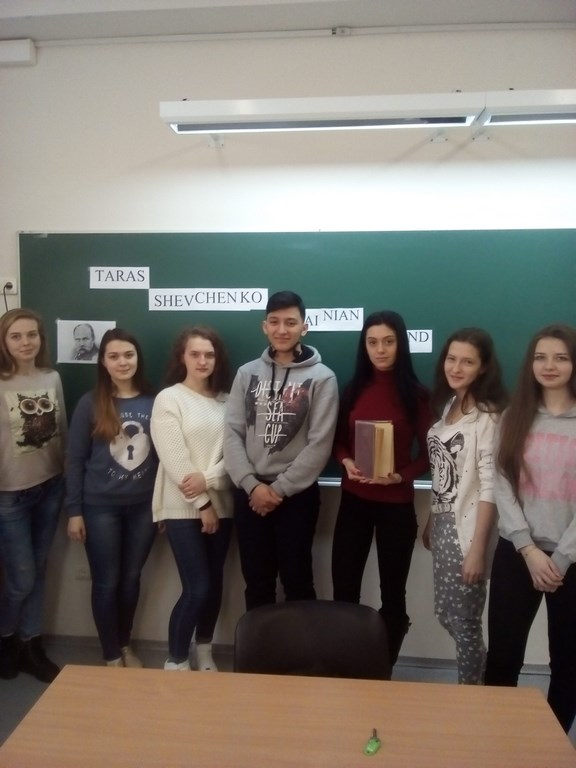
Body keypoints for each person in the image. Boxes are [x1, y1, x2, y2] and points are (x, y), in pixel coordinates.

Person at [485, 324, 576, 733]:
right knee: (503, 659)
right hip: (517, 553)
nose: (549, 365)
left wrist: (562, 557)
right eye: (541, 357)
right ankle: (501, 743)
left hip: (570, 559)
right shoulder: (515, 416)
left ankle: (549, 747)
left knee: (568, 664)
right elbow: (501, 483)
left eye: (561, 357)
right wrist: (527, 547)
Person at [224, 290, 338, 610]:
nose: (282, 329)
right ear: (265, 327)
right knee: (257, 583)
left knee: (297, 581)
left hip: (296, 496)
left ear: (304, 327)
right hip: (249, 493)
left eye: (290, 322)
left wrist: (277, 490)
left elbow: (320, 443)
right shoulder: (246, 373)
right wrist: (252, 486)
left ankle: (298, 646)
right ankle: (259, 645)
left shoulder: (323, 378)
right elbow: (232, 433)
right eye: (274, 322)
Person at [331, 310, 431, 666]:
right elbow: (338, 442)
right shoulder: (353, 389)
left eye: (388, 341)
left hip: (396, 507)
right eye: (372, 342)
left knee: (392, 594)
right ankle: (347, 664)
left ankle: (382, 670)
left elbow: (429, 455)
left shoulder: (417, 395)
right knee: (344, 590)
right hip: (353, 502)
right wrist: (346, 461)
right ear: (365, 346)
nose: (381, 349)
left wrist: (400, 477)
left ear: (400, 344)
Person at [66, 328, 157, 668]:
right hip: (99, 507)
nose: (122, 362)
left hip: (144, 508)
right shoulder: (89, 403)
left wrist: (163, 507)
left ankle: (124, 644)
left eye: (128, 355)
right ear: (103, 362)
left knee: (131, 579)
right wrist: (74, 511)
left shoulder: (155, 401)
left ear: (138, 359)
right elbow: (75, 459)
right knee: (106, 582)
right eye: (114, 356)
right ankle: (111, 656)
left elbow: (166, 459)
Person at [423, 328, 507, 684]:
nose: (456, 368)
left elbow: (490, 487)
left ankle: (473, 693)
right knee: (446, 613)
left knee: (465, 621)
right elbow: (446, 477)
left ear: (483, 367)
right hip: (444, 524)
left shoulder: (488, 417)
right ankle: (479, 682)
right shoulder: (449, 406)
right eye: (451, 359)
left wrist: (477, 551)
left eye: (467, 362)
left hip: (468, 530)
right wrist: (431, 519)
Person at [151, 326, 233, 672]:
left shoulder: (228, 401)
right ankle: (176, 660)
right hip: (183, 508)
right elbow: (175, 459)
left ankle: (204, 651)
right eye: (195, 354)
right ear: (181, 357)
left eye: (209, 354)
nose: (202, 361)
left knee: (214, 586)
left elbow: (235, 456)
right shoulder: (169, 398)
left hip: (224, 506)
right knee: (197, 588)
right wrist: (203, 504)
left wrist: (210, 479)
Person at [0, 308, 66, 683]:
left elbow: (62, 431)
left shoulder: (51, 377)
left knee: (39, 571)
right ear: (4, 342)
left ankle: (30, 645)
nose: (26, 342)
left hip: (50, 487)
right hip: (9, 495)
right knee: (21, 578)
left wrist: (67, 479)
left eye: (32, 335)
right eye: (16, 336)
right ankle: (6, 638)